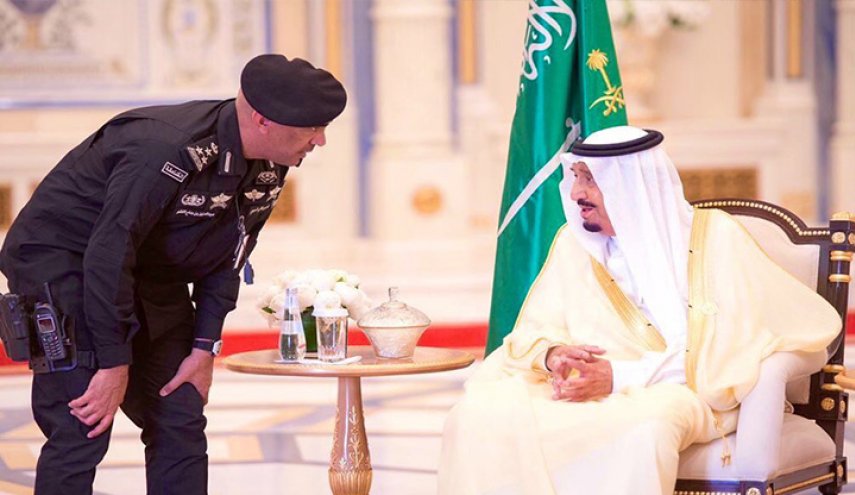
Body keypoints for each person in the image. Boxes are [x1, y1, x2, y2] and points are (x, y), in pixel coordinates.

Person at [0, 53, 346, 495]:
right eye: (312, 128)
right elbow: (108, 253)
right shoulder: (164, 149)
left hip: (146, 270)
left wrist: (204, 347)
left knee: (179, 414)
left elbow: (230, 255)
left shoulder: (270, 164)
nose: (320, 141)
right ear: (263, 121)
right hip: (64, 263)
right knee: (83, 423)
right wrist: (113, 361)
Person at [438, 126, 841, 495]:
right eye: (575, 176)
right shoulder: (572, 245)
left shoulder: (714, 239)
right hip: (581, 389)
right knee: (477, 415)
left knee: (645, 428)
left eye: (589, 179)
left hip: (679, 391)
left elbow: (733, 348)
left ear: (630, 186)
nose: (576, 193)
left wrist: (616, 377)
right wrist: (554, 355)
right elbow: (531, 331)